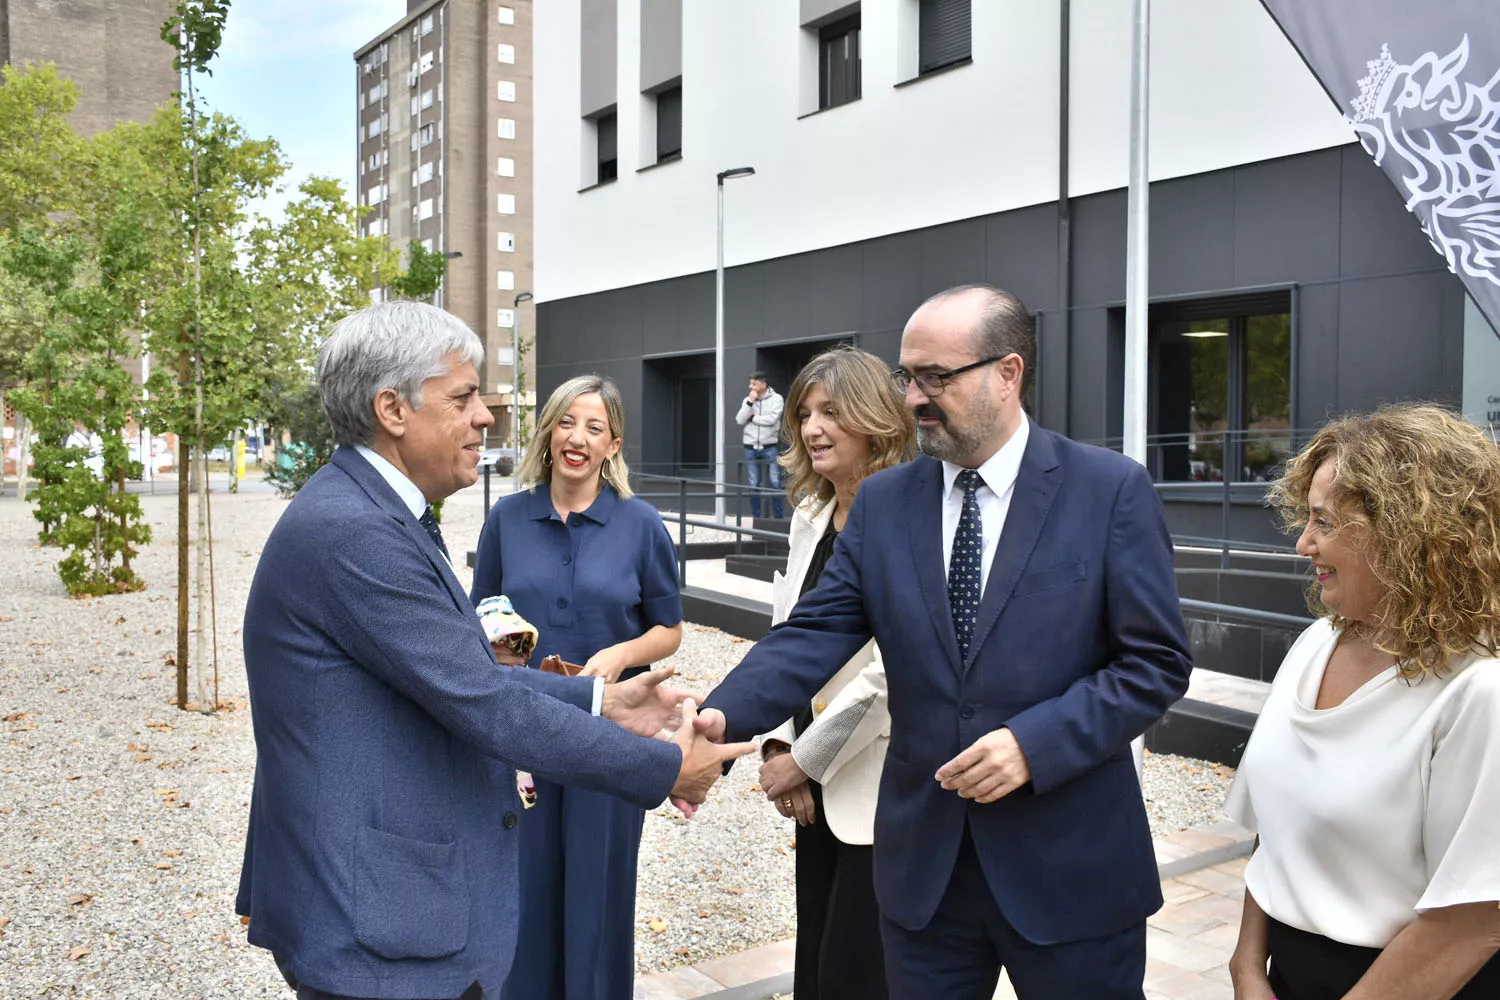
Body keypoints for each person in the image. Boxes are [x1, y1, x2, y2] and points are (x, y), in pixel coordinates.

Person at [236, 302, 751, 1000]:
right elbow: (483, 699)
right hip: (377, 921)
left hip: (394, 905)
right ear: (392, 408)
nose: (486, 416)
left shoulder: (375, 512)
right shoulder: (358, 532)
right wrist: (665, 767)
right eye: (464, 397)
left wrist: (606, 698)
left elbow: (461, 671)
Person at [697, 284, 1193, 999]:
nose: (914, 398)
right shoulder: (886, 503)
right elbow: (814, 631)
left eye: (937, 377)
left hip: (1070, 871)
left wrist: (1034, 745)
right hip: (924, 877)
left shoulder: (1109, 491)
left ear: (1008, 372)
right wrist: (721, 716)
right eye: (908, 377)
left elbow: (1155, 663)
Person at [1225, 405, 1500, 1000]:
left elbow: (1473, 923)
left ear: (1407, 534)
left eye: (1323, 521)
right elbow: (1276, 834)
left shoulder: (1480, 689)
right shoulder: (1314, 643)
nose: (1304, 543)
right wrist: (1247, 965)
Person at [470, 374, 683, 1000]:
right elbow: (480, 612)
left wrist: (621, 654)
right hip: (522, 735)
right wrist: (501, 638)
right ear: (548, 431)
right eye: (567, 422)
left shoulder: (641, 525)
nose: (577, 438)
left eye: (593, 427)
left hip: (610, 737)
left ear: (612, 444)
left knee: (599, 892)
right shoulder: (507, 518)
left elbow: (669, 629)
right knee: (524, 890)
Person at [749, 345, 912, 1000]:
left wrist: (805, 759)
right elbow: (788, 638)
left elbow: (891, 674)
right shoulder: (809, 518)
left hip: (880, 792)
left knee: (860, 974)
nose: (812, 428)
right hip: (815, 794)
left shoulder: (909, 519)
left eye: (831, 412)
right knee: (816, 964)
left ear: (875, 419)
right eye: (804, 413)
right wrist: (777, 743)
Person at [736, 370, 785, 519]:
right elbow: (739, 420)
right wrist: (750, 402)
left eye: (754, 384)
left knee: (775, 483)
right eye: (750, 383)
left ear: (763, 385)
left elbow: (771, 420)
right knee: (753, 485)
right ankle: (757, 518)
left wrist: (753, 418)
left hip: (770, 447)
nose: (750, 386)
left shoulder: (777, 399)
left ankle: (778, 518)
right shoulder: (748, 400)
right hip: (750, 448)